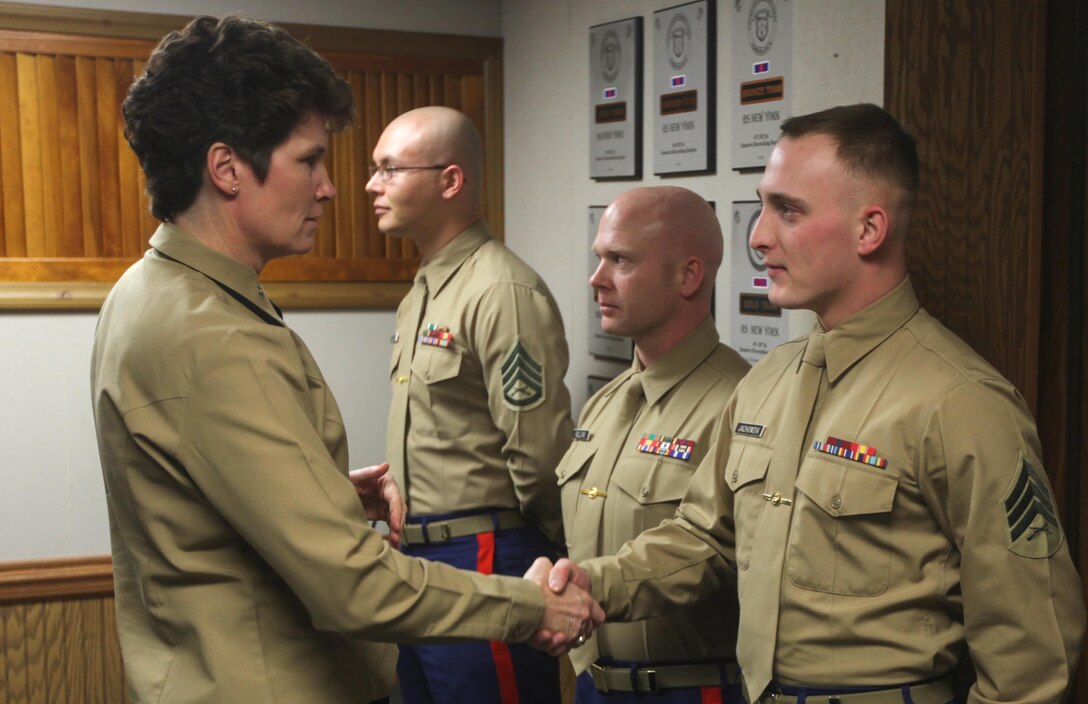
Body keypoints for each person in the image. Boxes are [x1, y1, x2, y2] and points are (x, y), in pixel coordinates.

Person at [91, 16, 600, 704]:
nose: (331, 187)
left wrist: (322, 492)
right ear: (227, 168)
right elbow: (351, 586)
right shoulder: (212, 333)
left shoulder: (155, 293)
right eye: (309, 160)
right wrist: (533, 607)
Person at [545, 104, 1086, 702]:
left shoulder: (960, 401)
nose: (757, 236)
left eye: (788, 210)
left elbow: (1033, 655)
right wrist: (594, 581)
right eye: (762, 205)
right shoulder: (768, 382)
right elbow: (704, 538)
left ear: (869, 230)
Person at [366, 105, 574, 704]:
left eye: (389, 169)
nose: (371, 185)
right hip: (420, 559)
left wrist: (549, 556)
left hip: (487, 554)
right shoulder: (427, 287)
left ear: (450, 181)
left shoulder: (501, 291)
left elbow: (539, 457)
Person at [556, 186, 750, 703]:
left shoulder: (741, 402)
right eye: (599, 258)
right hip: (593, 683)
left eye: (620, 260)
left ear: (688, 276)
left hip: (686, 689)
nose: (596, 280)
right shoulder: (606, 403)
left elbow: (714, 551)